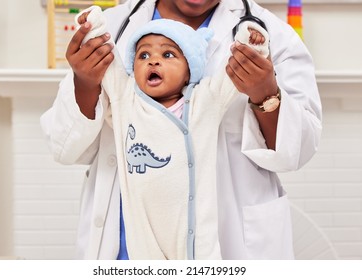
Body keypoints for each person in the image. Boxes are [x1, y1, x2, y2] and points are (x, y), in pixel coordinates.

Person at [40, 0, 322, 260]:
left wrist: (265, 93)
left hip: (228, 245)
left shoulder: (269, 34)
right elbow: (63, 145)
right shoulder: (113, 28)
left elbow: (297, 150)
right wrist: (85, 83)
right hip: (125, 248)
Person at [73, 11, 267, 259]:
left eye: (168, 54)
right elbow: (107, 61)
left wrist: (251, 41)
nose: (153, 61)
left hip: (196, 235)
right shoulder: (125, 99)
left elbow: (234, 72)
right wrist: (94, 27)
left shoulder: (205, 100)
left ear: (189, 69)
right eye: (143, 55)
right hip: (142, 234)